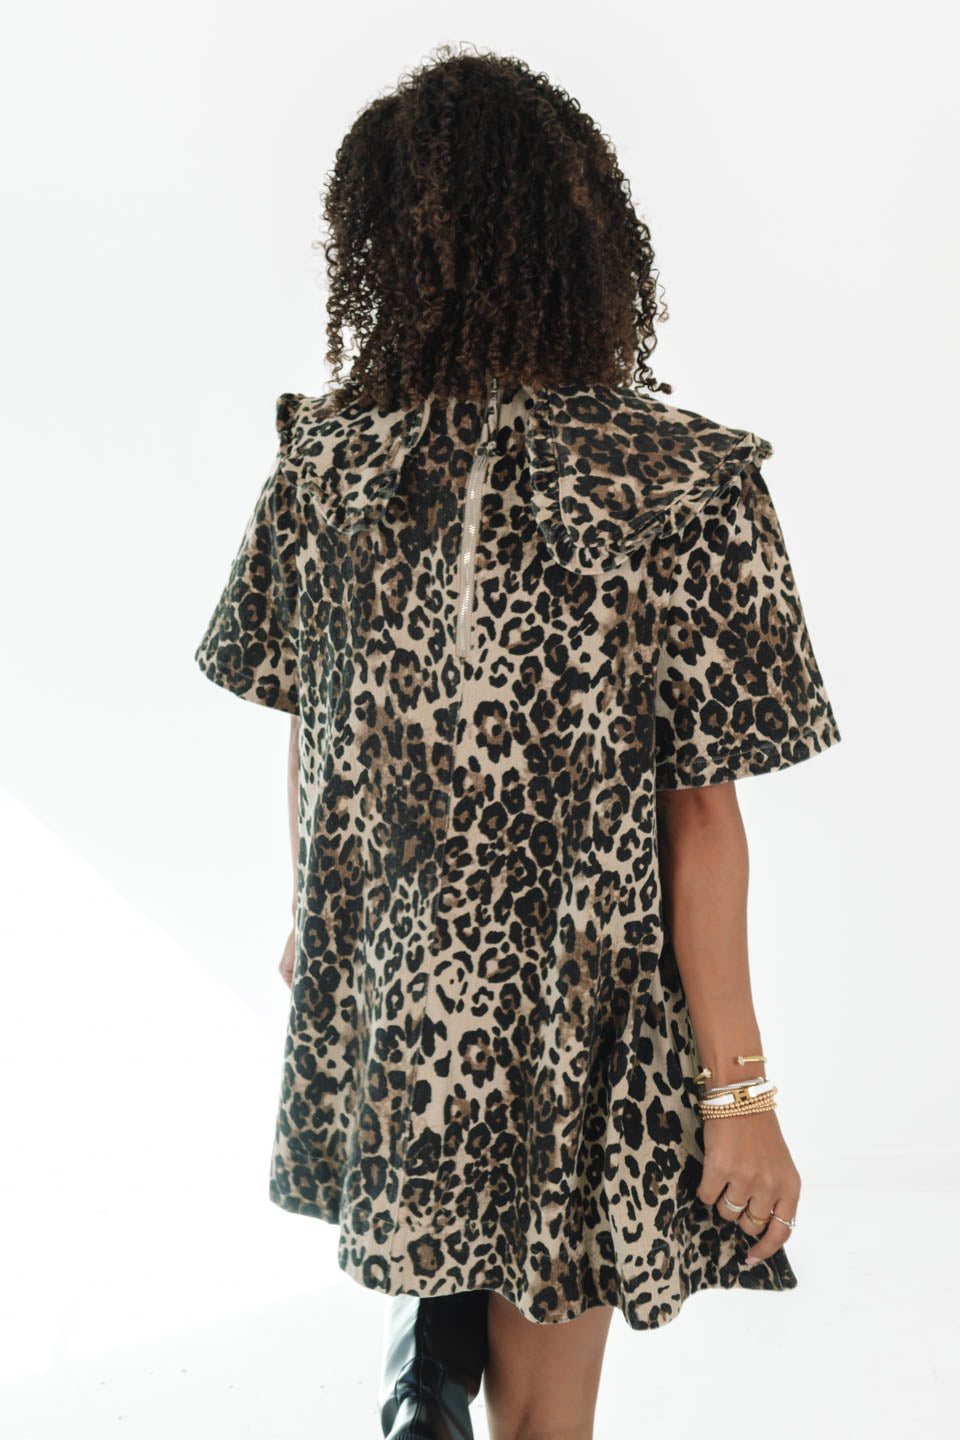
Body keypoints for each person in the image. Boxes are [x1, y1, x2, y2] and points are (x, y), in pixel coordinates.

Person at [193, 43, 842, 1440]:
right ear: (585, 235)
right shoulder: (680, 481)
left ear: (382, 246)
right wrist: (739, 1092)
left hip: (400, 993)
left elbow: (316, 725)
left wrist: (318, 913)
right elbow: (702, 814)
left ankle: (424, 1361)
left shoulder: (326, 465)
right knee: (547, 1421)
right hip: (577, 1014)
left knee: (449, 1308)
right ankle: (432, 1366)